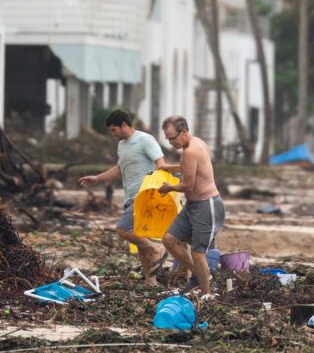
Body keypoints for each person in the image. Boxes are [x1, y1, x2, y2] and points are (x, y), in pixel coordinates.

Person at [78, 109, 174, 287]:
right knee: (139, 242)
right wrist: (97, 178)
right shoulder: (121, 145)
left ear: (124, 125)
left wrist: (159, 187)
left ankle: (157, 249)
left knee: (123, 229)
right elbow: (120, 169)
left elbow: (160, 162)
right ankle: (150, 281)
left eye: (114, 130)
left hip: (144, 196)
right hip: (129, 197)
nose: (113, 134)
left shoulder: (145, 139)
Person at [157, 115, 225, 297]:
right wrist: (169, 168)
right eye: (168, 139)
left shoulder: (191, 151)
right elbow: (190, 168)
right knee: (169, 239)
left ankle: (206, 293)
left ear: (184, 131)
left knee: (198, 252)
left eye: (173, 138)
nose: (171, 143)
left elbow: (188, 185)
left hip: (206, 204)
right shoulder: (195, 143)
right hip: (192, 206)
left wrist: (168, 188)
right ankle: (199, 276)